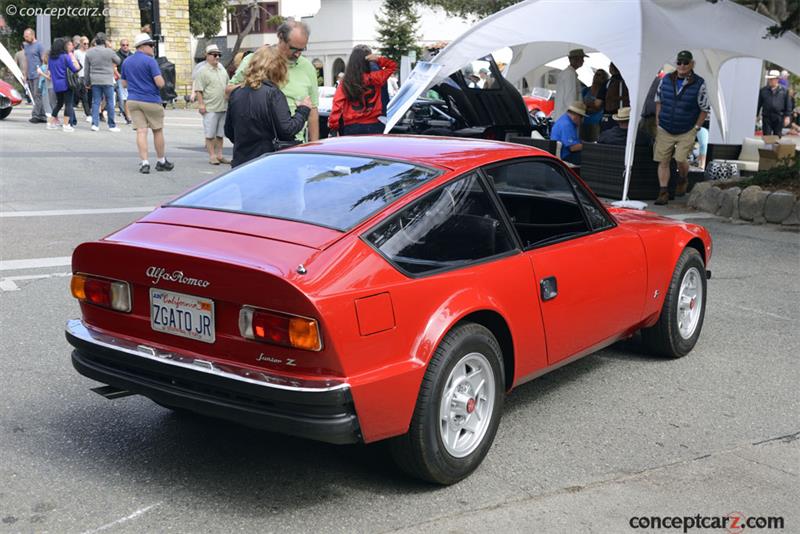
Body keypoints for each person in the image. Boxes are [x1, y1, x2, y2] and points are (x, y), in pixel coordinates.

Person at [227, 19, 319, 142]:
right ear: (281, 38)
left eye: (302, 49)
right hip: (260, 142)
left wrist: (313, 146)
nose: (298, 54)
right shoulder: (255, 60)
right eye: (294, 49)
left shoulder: (307, 67)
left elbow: (313, 110)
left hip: (293, 143)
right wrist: (253, 83)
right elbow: (228, 92)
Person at [224, 47, 312, 168]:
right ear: (278, 68)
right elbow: (287, 130)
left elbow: (229, 131)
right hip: (266, 162)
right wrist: (303, 110)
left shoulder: (236, 93)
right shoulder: (273, 94)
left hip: (241, 162)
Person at [653, 50, 709, 205]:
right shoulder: (665, 80)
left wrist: (696, 127)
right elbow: (658, 100)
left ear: (692, 64)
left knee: (680, 158)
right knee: (663, 160)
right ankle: (663, 192)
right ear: (676, 64)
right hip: (665, 126)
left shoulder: (700, 83)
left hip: (687, 128)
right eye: (679, 62)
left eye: (686, 63)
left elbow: (705, 108)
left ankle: (683, 178)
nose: (682, 66)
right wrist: (658, 120)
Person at [122, 33, 173, 174]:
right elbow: (160, 83)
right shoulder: (151, 61)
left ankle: (144, 163)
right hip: (151, 100)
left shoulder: (127, 61)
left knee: (141, 131)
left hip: (133, 100)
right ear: (142, 46)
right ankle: (161, 160)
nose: (153, 48)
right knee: (157, 130)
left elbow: (124, 83)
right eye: (151, 45)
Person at [328, 45, 396, 136]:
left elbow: (337, 105)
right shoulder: (376, 78)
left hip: (351, 126)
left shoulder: (345, 82)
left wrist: (334, 126)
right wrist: (378, 59)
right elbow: (392, 66)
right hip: (374, 125)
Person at [195, 44, 230, 165]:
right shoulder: (202, 71)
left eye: (219, 55)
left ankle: (219, 155)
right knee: (210, 134)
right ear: (207, 56)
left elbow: (227, 84)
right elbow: (198, 89)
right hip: (210, 107)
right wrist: (201, 104)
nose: (217, 57)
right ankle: (212, 156)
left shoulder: (222, 68)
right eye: (214, 55)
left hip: (223, 106)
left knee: (220, 134)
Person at [85, 32, 122, 132]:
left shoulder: (89, 52)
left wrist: (87, 82)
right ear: (105, 41)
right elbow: (118, 61)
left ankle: (95, 124)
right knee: (110, 102)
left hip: (95, 79)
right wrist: (111, 49)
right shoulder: (109, 52)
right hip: (107, 79)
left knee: (96, 102)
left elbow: (87, 69)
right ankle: (111, 125)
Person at [47, 37, 81, 131]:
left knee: (59, 104)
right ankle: (66, 125)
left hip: (56, 84)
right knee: (69, 104)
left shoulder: (50, 58)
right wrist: (75, 61)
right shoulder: (65, 56)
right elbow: (74, 69)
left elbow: (49, 70)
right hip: (66, 84)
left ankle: (50, 123)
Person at [554, 48, 586, 120]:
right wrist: (574, 118)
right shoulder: (570, 74)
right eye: (581, 58)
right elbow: (570, 98)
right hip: (568, 118)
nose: (583, 61)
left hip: (563, 117)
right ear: (574, 59)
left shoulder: (567, 73)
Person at [757, 70, 792, 137]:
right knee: (767, 136)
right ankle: (767, 147)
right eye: (769, 79)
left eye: (772, 79)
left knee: (777, 136)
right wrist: (756, 115)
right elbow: (759, 103)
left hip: (779, 116)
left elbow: (788, 104)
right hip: (767, 116)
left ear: (777, 79)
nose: (770, 80)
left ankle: (776, 147)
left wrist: (787, 116)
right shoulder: (763, 90)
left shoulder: (784, 91)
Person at [23, 28, 47, 123]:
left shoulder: (39, 46)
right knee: (35, 95)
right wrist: (25, 74)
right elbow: (26, 60)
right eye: (24, 36)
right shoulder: (26, 46)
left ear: (33, 35)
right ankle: (43, 116)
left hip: (38, 74)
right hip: (30, 74)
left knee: (37, 95)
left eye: (27, 36)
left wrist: (43, 71)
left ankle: (36, 115)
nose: (25, 38)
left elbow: (44, 60)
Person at [598, 62, 630, 131]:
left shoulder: (608, 83)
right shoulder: (629, 82)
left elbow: (598, 103)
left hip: (609, 117)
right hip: (626, 118)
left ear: (611, 69)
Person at [581, 69, 608, 142]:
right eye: (596, 74)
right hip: (583, 121)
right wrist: (592, 105)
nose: (597, 77)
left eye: (600, 75)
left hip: (596, 123)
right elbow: (581, 104)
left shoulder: (604, 92)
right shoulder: (586, 90)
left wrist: (588, 104)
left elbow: (598, 106)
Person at [74, 36, 91, 120]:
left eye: (88, 43)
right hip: (80, 75)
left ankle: (88, 112)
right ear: (81, 44)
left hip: (88, 75)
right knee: (84, 95)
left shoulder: (89, 52)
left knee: (88, 96)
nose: (86, 45)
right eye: (85, 43)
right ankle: (88, 114)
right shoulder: (76, 52)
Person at [116, 38, 132, 124]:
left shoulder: (132, 55)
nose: (125, 47)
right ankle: (128, 117)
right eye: (123, 45)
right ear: (120, 46)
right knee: (125, 98)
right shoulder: (117, 55)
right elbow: (114, 67)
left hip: (131, 79)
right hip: (120, 79)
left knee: (129, 98)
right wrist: (119, 76)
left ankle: (101, 110)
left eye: (127, 45)